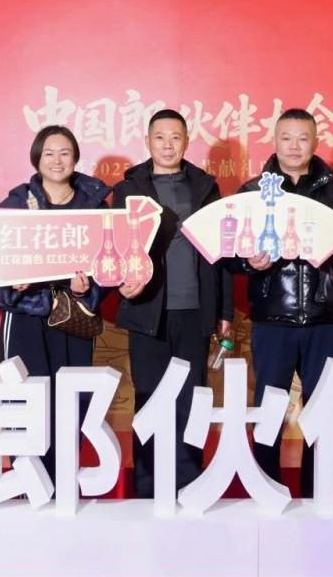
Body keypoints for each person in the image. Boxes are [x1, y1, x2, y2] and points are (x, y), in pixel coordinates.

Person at [236, 108, 333, 496]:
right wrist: (249, 262)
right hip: (271, 316)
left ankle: (316, 491)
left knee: (320, 407)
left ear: (315, 143)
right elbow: (231, 253)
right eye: (286, 138)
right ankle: (267, 487)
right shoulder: (252, 191)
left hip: (324, 317)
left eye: (302, 138)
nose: (294, 146)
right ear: (274, 142)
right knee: (269, 408)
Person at [112, 109, 233, 498]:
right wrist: (120, 284)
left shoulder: (205, 187)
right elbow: (113, 248)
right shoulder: (128, 189)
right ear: (147, 141)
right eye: (160, 137)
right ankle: (148, 485)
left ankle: (189, 482)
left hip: (195, 309)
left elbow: (219, 253)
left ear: (186, 141)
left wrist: (224, 311)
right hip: (147, 310)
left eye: (175, 137)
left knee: (190, 398)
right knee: (148, 397)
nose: (167, 145)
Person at [0, 124, 108, 479]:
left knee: (72, 398)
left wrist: (86, 290)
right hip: (26, 317)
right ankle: (28, 479)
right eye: (49, 153)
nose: (57, 160)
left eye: (65, 153)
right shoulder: (15, 204)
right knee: (25, 396)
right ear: (37, 158)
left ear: (76, 158)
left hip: (73, 319)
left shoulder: (94, 206)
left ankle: (63, 477)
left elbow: (109, 266)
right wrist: (13, 281)